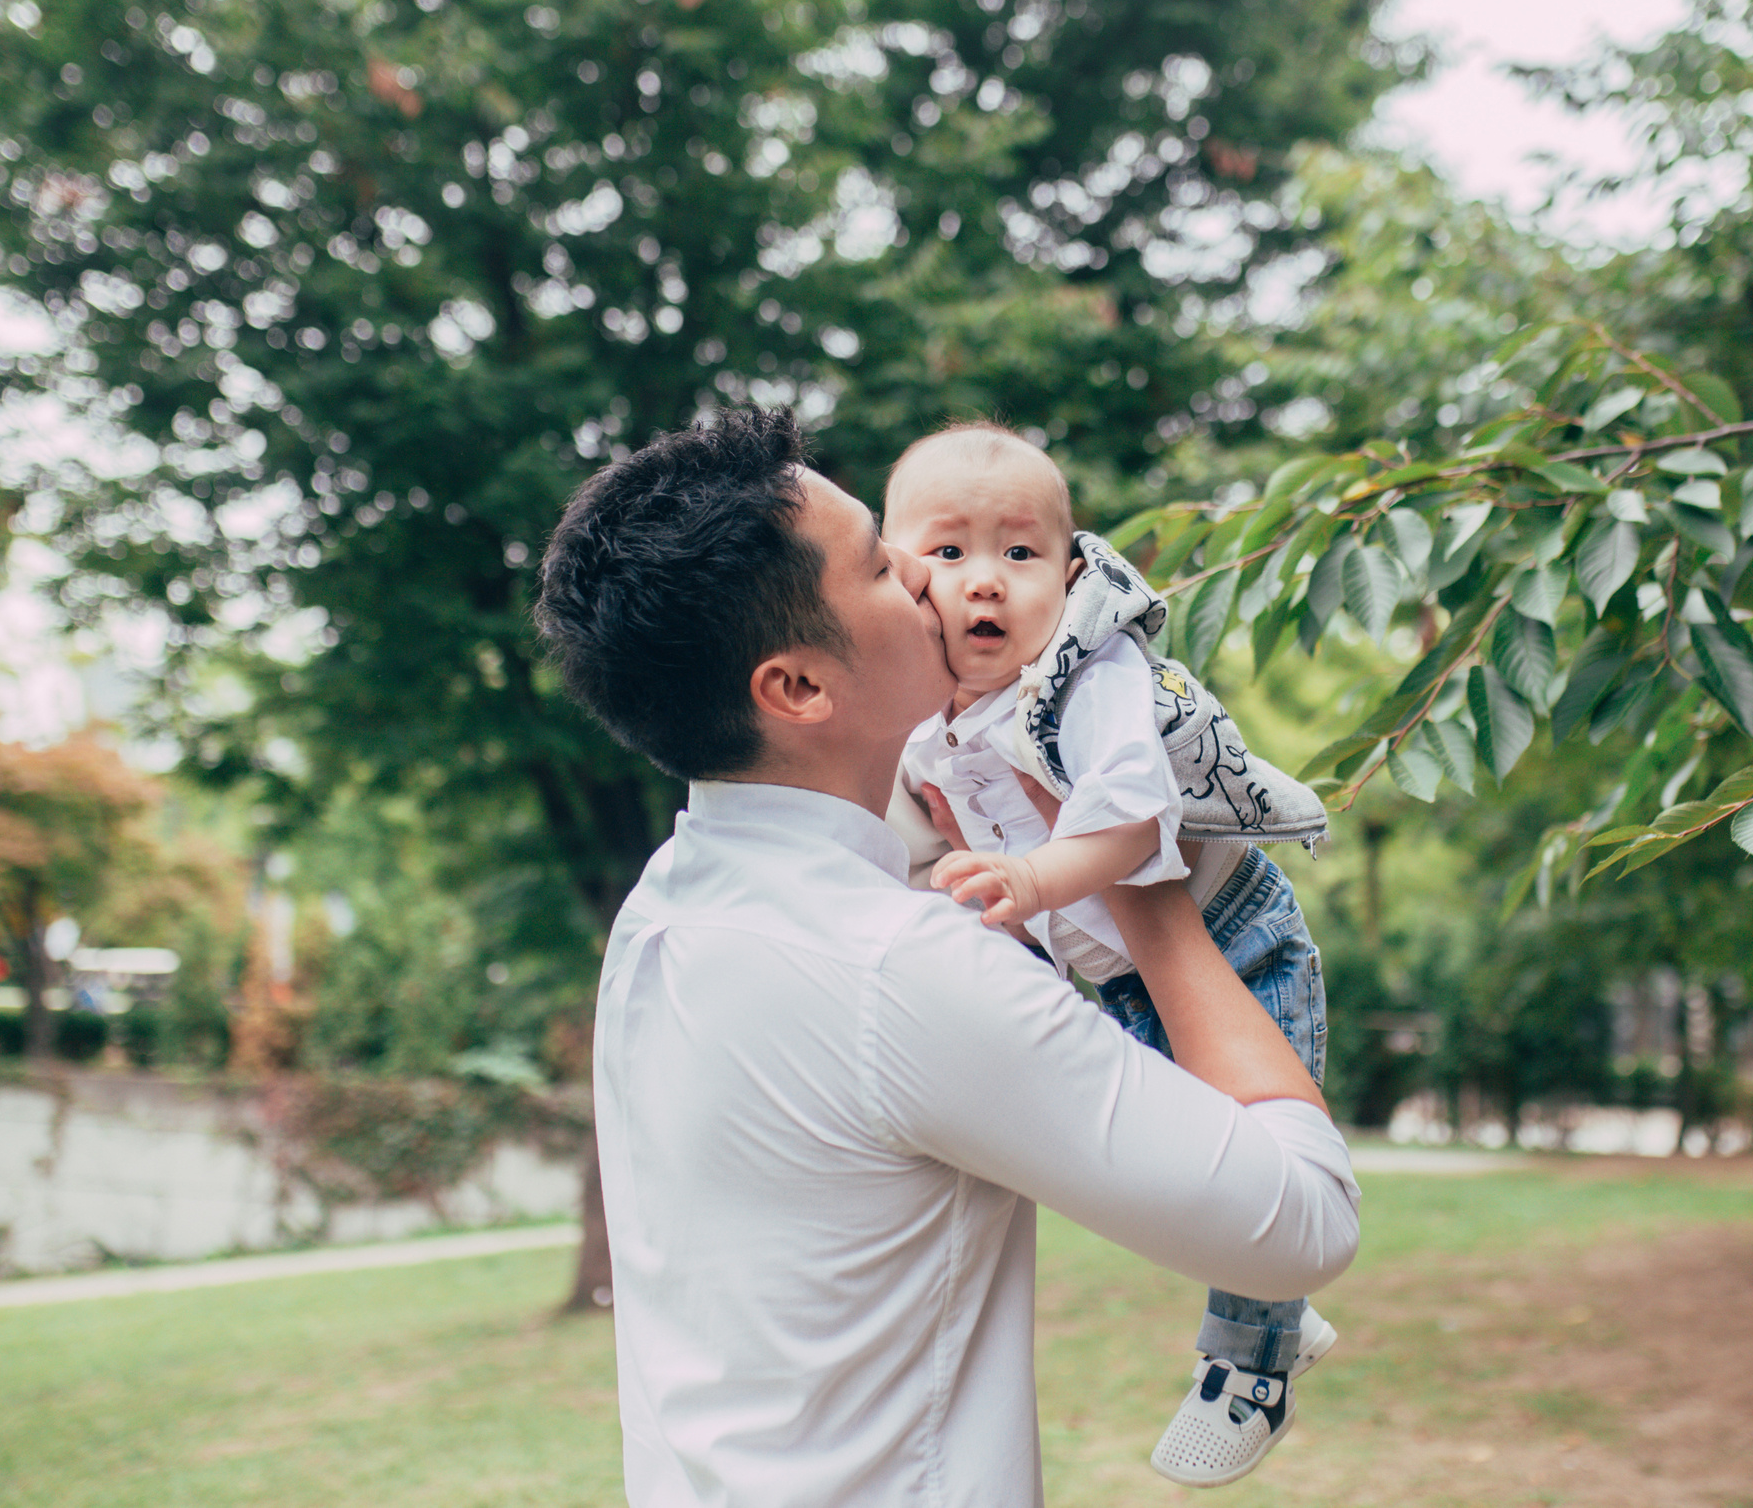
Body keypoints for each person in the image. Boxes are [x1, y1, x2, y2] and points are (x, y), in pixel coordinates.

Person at [532, 406, 1359, 1506]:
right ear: (797, 688)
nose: (932, 582)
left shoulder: (666, 915)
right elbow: (1302, 1225)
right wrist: (1143, 880)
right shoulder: (903, 971)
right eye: (884, 565)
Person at [884, 423, 1336, 1487]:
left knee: (1256, 1155)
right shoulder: (915, 717)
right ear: (894, 574)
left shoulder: (1089, 673)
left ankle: (1252, 1366)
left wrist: (1034, 880)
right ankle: (1278, 1307)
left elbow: (1133, 827)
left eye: (1021, 553)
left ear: (1074, 572)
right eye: (947, 554)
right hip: (1110, 971)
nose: (985, 583)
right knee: (1179, 1175)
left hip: (1238, 939)